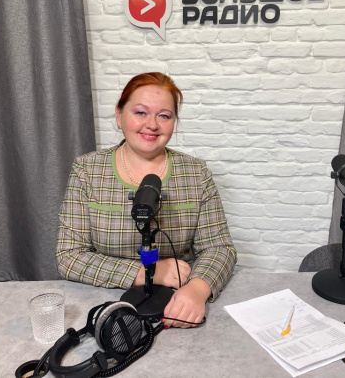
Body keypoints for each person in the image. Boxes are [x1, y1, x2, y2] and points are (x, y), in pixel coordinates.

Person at [56, 72, 237, 328]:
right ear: (119, 115)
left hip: (176, 302)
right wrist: (148, 272)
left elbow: (219, 248)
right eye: (140, 112)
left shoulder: (196, 174)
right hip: (105, 306)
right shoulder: (88, 171)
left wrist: (198, 288)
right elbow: (68, 256)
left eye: (164, 115)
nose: (152, 124)